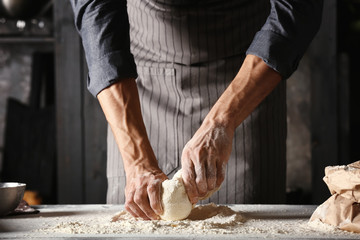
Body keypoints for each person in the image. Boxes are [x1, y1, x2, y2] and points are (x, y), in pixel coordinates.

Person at [71, 0, 324, 220]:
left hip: (248, 76)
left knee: (250, 220)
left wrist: (224, 120)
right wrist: (137, 160)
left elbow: (297, 8)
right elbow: (97, 14)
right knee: (138, 218)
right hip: (141, 85)